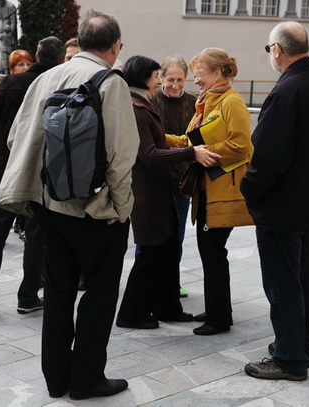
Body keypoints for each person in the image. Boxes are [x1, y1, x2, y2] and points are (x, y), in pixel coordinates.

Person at [0, 10, 138, 400]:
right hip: (95, 211)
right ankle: (87, 378)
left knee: (57, 292)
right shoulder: (111, 82)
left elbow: (16, 139)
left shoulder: (46, 77)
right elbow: (122, 155)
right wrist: (121, 207)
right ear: (114, 46)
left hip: (47, 207)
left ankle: (56, 378)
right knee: (99, 293)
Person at [240, 21, 309, 381]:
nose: (270, 55)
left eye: (269, 49)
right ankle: (301, 345)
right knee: (301, 282)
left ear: (278, 50)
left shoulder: (287, 90)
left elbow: (267, 156)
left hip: (284, 209)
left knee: (283, 286)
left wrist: (248, 190)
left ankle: (289, 359)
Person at [116, 56, 221, 330]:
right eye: (157, 77)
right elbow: (149, 154)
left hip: (161, 190)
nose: (160, 82)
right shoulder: (138, 107)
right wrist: (191, 152)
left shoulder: (141, 104)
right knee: (150, 252)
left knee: (167, 248)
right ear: (144, 78)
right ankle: (131, 313)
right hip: (148, 190)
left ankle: (168, 306)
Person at [165, 48, 253, 336]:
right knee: (209, 251)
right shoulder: (207, 101)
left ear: (218, 73)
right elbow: (189, 141)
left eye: (200, 74)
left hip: (220, 192)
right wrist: (156, 135)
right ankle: (217, 309)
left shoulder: (231, 102)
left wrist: (203, 151)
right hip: (206, 191)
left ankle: (219, 318)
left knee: (213, 251)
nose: (196, 81)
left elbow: (242, 146)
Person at [0, 37, 66, 312]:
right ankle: (27, 297)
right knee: (37, 233)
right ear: (62, 60)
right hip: (40, 168)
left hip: (4, 165)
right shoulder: (59, 84)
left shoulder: (10, 83)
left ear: (37, 55)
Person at [151, 55, 197, 298]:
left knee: (176, 234)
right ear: (161, 78)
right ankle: (149, 280)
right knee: (152, 232)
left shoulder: (195, 102)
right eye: (170, 79)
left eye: (180, 79)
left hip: (182, 178)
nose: (175, 84)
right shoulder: (151, 100)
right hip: (155, 177)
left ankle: (172, 281)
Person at [0, 0, 18, 74]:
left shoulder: (10, 7)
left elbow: (13, 21)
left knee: (8, 51)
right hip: (1, 30)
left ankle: (9, 69)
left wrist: (10, 31)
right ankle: (0, 67)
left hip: (8, 32)